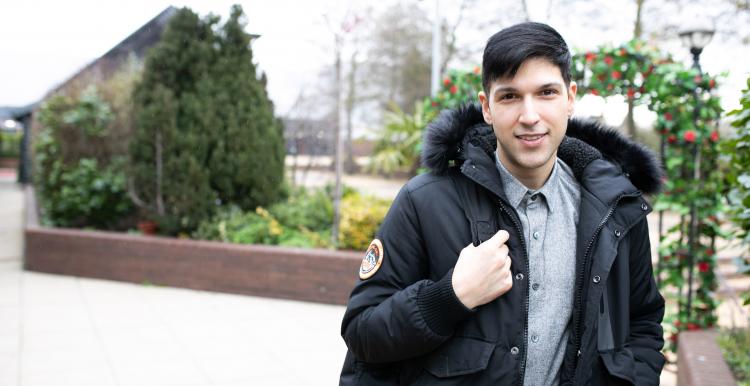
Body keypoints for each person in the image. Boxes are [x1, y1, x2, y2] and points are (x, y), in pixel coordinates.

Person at [339, 22, 665, 385]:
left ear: (570, 98)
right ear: (487, 107)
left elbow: (642, 323)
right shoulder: (425, 201)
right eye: (510, 96)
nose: (529, 116)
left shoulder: (615, 207)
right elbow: (362, 331)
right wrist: (450, 297)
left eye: (546, 93)